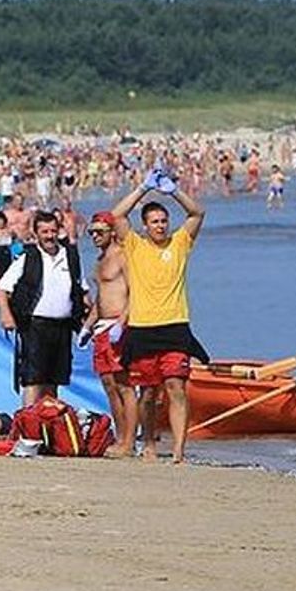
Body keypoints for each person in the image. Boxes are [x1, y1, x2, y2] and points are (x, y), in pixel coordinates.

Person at [112, 165, 208, 463]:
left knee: (176, 387)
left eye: (164, 221)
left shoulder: (179, 243)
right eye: (154, 221)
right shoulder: (135, 245)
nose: (160, 226)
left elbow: (197, 214)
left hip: (175, 326)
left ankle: (179, 451)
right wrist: (143, 188)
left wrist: (174, 191)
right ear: (145, 225)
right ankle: (149, 444)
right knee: (149, 394)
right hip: (143, 328)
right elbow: (116, 216)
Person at [0, 210, 90, 406]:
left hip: (63, 327)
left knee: (55, 381)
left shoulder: (71, 257)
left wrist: (91, 320)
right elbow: (2, 289)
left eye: (53, 231)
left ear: (59, 231)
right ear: (36, 233)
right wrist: (6, 316)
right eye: (44, 232)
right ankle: (29, 428)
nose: (49, 236)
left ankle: (49, 425)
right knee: (33, 380)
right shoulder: (28, 257)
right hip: (34, 326)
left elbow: (82, 289)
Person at [78, 211, 137, 457]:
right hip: (102, 327)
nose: (95, 236)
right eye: (92, 232)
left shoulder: (123, 257)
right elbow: (101, 299)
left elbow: (135, 294)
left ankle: (129, 441)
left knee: (124, 385)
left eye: (100, 232)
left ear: (112, 231)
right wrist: (87, 326)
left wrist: (121, 324)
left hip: (118, 327)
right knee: (109, 385)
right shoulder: (99, 260)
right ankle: (120, 435)